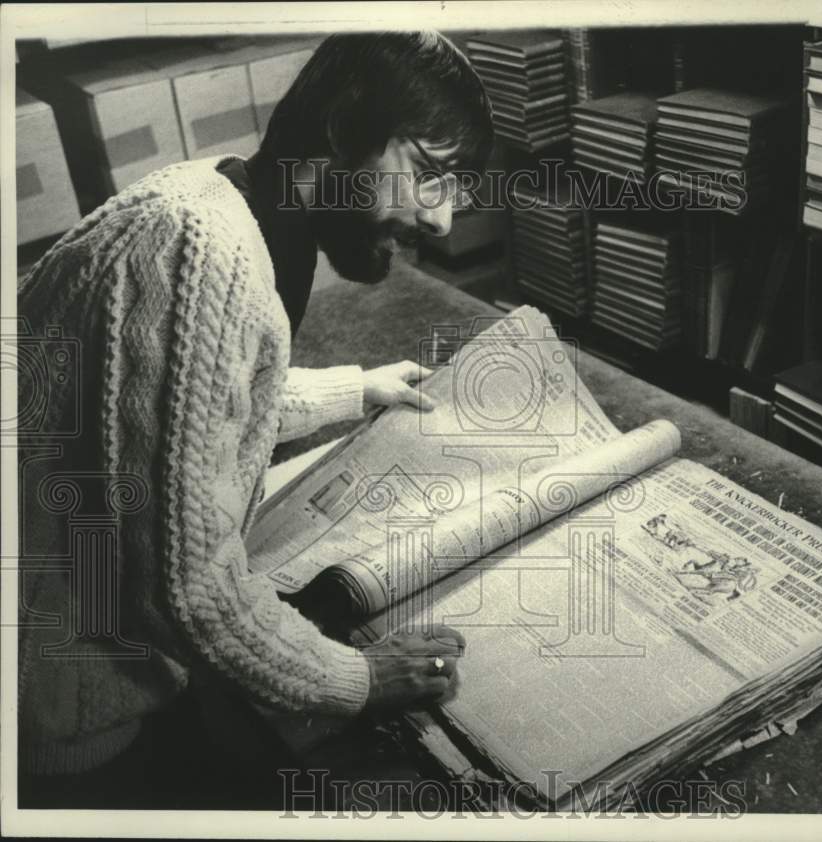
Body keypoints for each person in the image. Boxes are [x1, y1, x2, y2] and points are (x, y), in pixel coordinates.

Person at [17, 31, 493, 807]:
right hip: (54, 712)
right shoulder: (198, 253)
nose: (442, 223)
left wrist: (350, 389)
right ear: (343, 128)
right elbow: (187, 591)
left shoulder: (215, 196)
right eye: (429, 173)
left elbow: (172, 413)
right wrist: (360, 678)